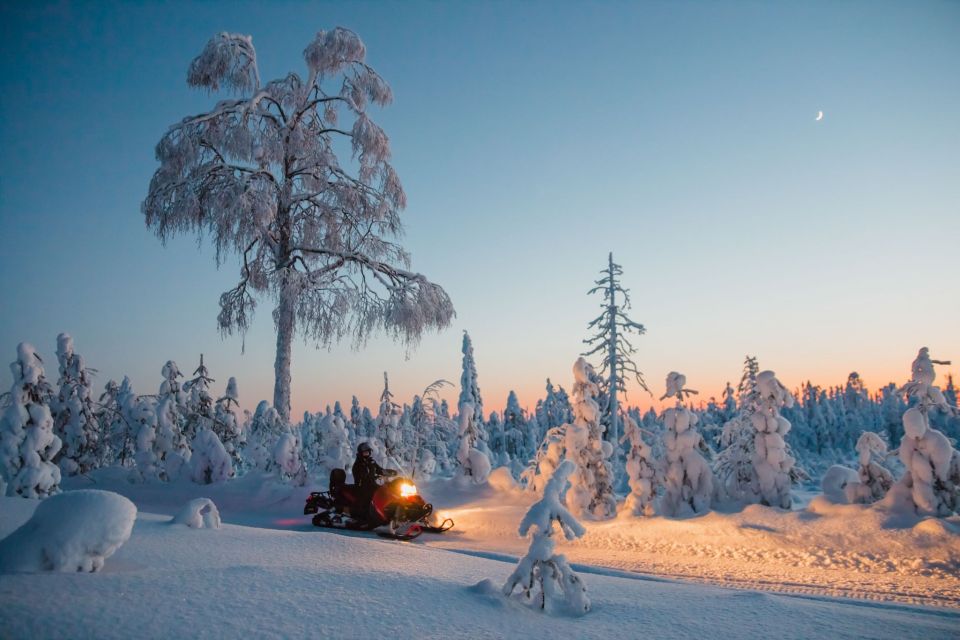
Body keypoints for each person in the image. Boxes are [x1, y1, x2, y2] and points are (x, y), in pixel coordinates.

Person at [352, 442, 396, 514]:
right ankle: (368, 514)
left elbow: (379, 470)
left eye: (368, 452)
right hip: (362, 487)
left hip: (372, 485)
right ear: (360, 453)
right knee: (372, 497)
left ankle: (387, 512)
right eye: (365, 453)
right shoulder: (358, 464)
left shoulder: (371, 462)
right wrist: (374, 477)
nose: (367, 454)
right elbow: (361, 477)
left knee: (386, 493)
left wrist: (388, 472)